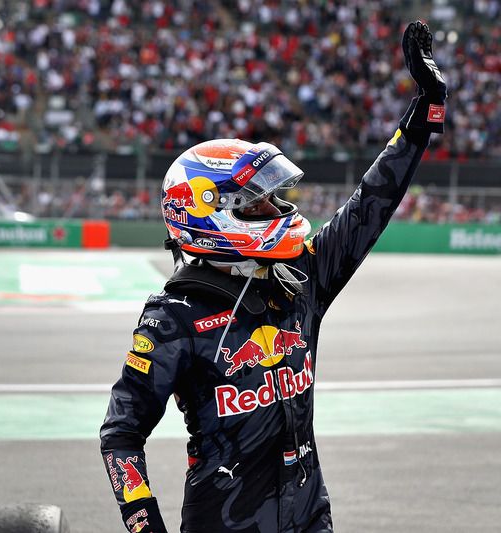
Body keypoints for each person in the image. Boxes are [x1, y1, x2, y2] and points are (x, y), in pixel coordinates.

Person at [100, 21, 447, 533]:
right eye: (259, 201)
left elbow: (371, 204)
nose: (277, 207)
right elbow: (121, 437)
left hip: (310, 517)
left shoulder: (300, 277)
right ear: (213, 212)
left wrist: (425, 114)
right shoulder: (172, 320)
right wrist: (143, 523)